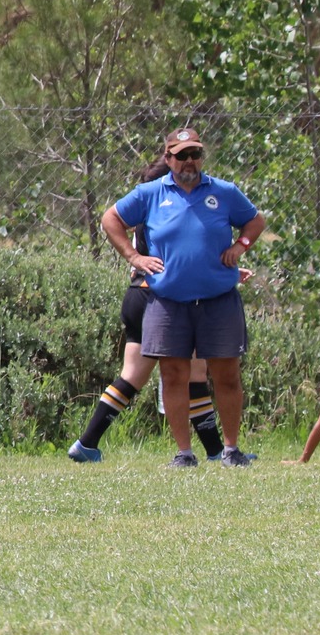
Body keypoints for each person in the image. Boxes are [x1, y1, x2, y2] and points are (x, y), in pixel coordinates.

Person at [100, 127, 264, 469]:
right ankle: (184, 453)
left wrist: (240, 247)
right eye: (182, 155)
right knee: (173, 374)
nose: (189, 161)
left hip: (218, 299)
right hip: (167, 301)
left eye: (195, 154)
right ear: (168, 158)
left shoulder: (223, 191)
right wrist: (134, 257)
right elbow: (110, 218)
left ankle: (231, 450)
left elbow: (255, 221)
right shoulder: (150, 194)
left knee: (226, 375)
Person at [69, 161, 237, 465]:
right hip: (159, 298)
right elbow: (185, 257)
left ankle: (86, 442)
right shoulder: (169, 210)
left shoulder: (145, 211)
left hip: (135, 294)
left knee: (131, 376)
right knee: (195, 375)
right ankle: (215, 452)